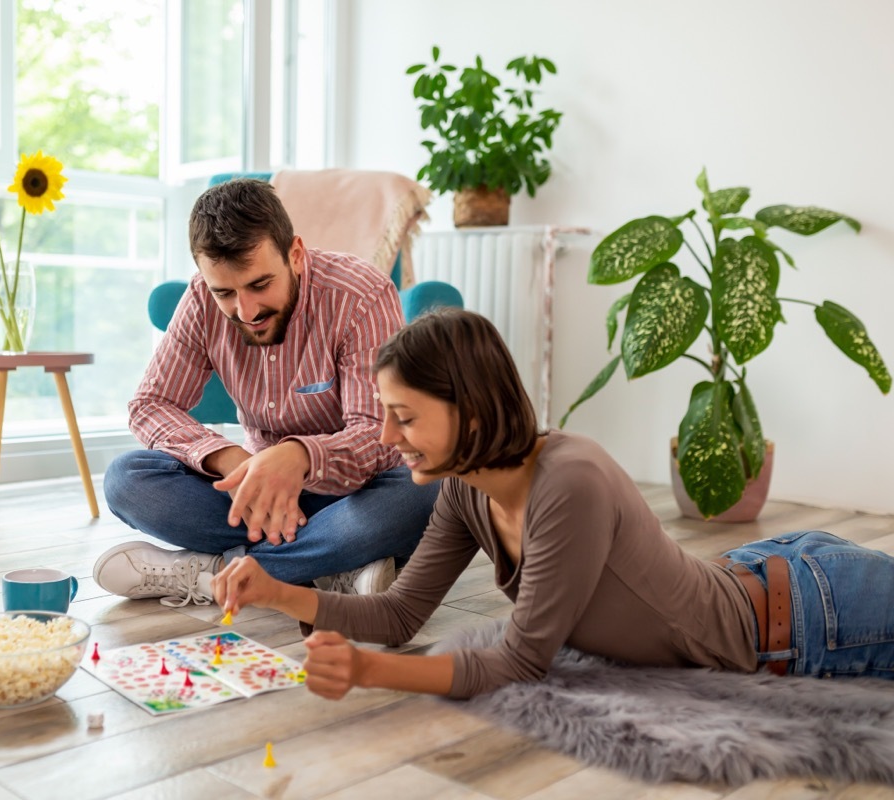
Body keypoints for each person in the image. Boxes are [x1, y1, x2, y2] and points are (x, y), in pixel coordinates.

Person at [211, 307, 894, 701]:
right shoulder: (466, 491)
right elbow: (399, 613)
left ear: (470, 413)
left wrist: (368, 671)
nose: (388, 438)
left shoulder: (570, 482)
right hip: (760, 571)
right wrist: (277, 593)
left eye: (404, 418)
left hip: (805, 617)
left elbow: (519, 661)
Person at [94, 178, 439, 608]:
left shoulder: (360, 295)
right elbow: (150, 405)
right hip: (252, 494)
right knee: (127, 479)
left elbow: (377, 433)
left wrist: (299, 457)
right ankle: (329, 567)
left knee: (424, 491)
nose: (247, 311)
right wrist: (230, 458)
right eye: (225, 292)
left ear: (295, 254)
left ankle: (211, 574)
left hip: (353, 492)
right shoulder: (201, 298)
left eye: (259, 285)